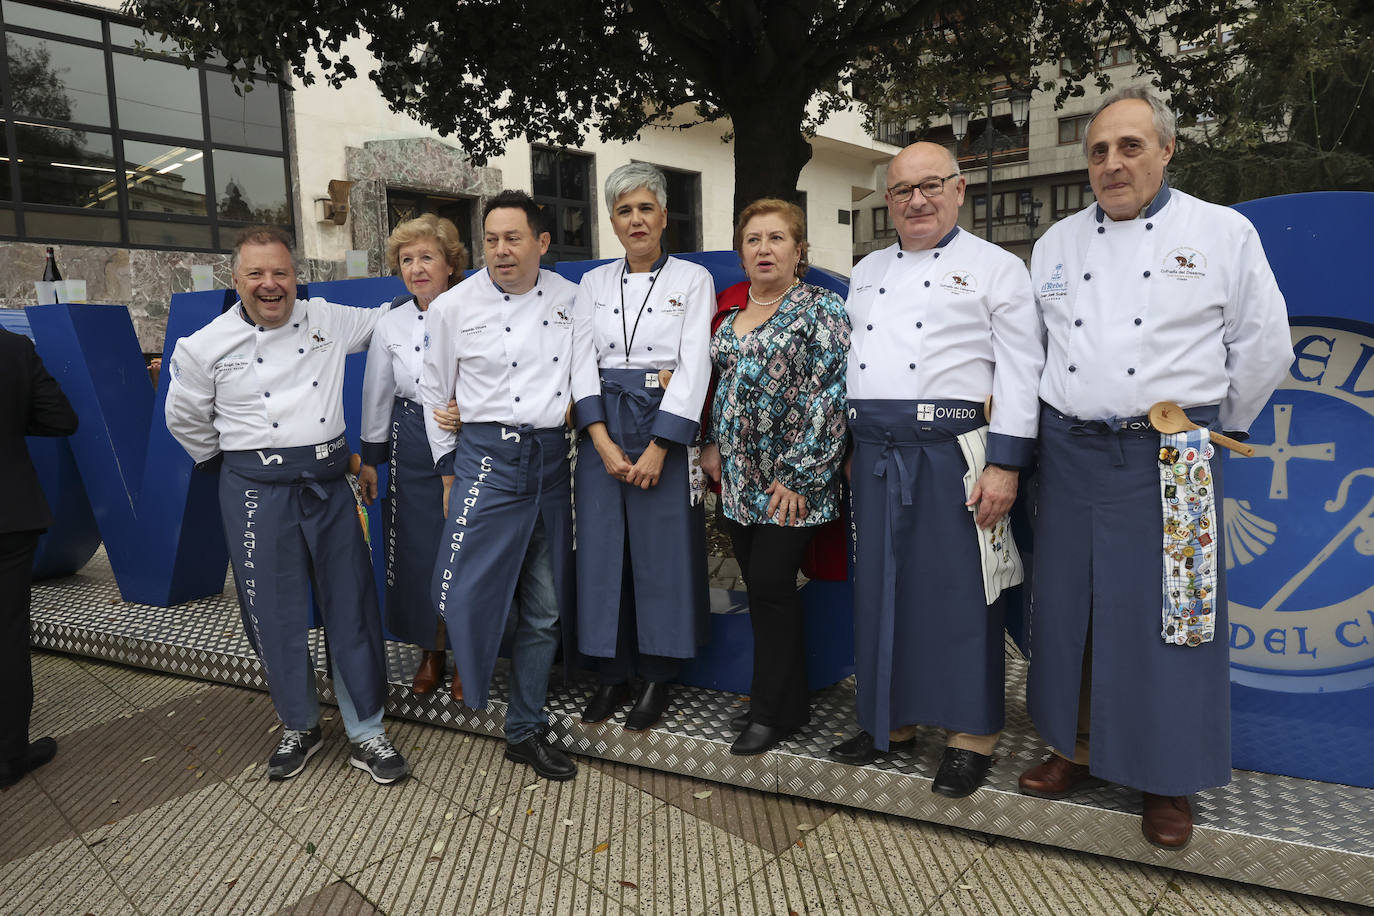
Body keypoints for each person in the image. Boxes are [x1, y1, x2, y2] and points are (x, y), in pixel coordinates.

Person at [1021, 86, 1291, 848]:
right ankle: (1071, 748)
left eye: (1130, 146)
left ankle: (1166, 779)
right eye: (1100, 150)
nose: (1113, 163)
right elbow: (1039, 352)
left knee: (1177, 617)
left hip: (1173, 456)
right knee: (1071, 605)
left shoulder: (1221, 232)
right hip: (1071, 450)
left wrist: (1211, 430)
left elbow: (1264, 346)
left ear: (1167, 151)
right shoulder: (1057, 244)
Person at [833, 142, 1044, 798]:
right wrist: (845, 447)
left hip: (953, 452)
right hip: (873, 455)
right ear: (888, 200)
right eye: (901, 190)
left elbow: (1020, 370)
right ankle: (889, 723)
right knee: (881, 592)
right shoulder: (866, 271)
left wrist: (1006, 465)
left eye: (930, 187)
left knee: (960, 598)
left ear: (959, 191)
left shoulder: (997, 268)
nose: (916, 200)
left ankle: (970, 735)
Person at [165, 226, 409, 785]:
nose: (270, 285)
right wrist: (232, 463)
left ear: (296, 277)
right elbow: (184, 418)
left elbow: (385, 322)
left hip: (328, 487)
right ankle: (298, 723)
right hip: (254, 492)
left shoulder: (325, 317)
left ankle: (366, 729)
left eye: (281, 273)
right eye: (256, 274)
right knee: (272, 613)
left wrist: (434, 287)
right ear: (236, 280)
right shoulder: (204, 345)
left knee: (350, 603)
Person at [419, 190, 580, 781]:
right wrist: (447, 470)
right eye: (491, 240)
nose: (501, 250)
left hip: (549, 463)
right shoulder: (452, 308)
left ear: (541, 243)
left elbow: (581, 377)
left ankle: (524, 729)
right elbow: (437, 392)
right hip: (484, 459)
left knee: (546, 606)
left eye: (513, 238)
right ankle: (464, 679)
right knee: (463, 589)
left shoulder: (570, 299)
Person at [703, 198, 850, 756]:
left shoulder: (821, 309)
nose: (764, 249)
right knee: (766, 593)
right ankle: (789, 707)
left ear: (799, 250)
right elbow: (721, 388)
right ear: (741, 253)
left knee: (768, 585)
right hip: (739, 481)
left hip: (795, 485)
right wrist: (712, 442)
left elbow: (830, 396)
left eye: (776, 238)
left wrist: (799, 475)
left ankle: (767, 712)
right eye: (753, 240)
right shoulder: (731, 315)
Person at [571, 163, 715, 730]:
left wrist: (661, 446)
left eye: (645, 208)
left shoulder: (692, 279)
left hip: (663, 429)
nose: (636, 220)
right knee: (604, 554)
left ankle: (658, 678)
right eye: (624, 211)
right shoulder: (593, 284)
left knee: (663, 556)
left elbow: (695, 364)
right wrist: (601, 442)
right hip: (603, 430)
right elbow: (579, 362)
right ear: (612, 221)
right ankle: (611, 676)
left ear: (663, 216)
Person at [360, 214, 468, 697]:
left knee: (471, 548)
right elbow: (378, 391)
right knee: (421, 549)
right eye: (407, 259)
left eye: (427, 257)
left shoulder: (477, 306)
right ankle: (432, 650)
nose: (417, 268)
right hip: (412, 441)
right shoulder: (391, 321)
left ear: (450, 263)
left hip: (471, 435)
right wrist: (370, 459)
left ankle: (471, 650)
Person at [0, 328, 78, 788]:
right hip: (9, 514)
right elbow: (61, 419)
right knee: (8, 634)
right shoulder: (13, 348)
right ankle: (8, 756)